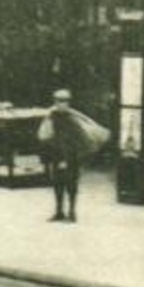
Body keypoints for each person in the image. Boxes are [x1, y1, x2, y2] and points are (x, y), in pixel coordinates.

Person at [39, 88, 106, 223]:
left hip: (70, 157)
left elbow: (71, 141)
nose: (61, 104)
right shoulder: (53, 116)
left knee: (71, 185)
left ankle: (72, 212)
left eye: (64, 101)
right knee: (58, 184)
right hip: (57, 155)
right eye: (58, 101)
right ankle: (59, 212)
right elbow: (49, 136)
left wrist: (65, 159)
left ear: (68, 103)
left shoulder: (71, 119)